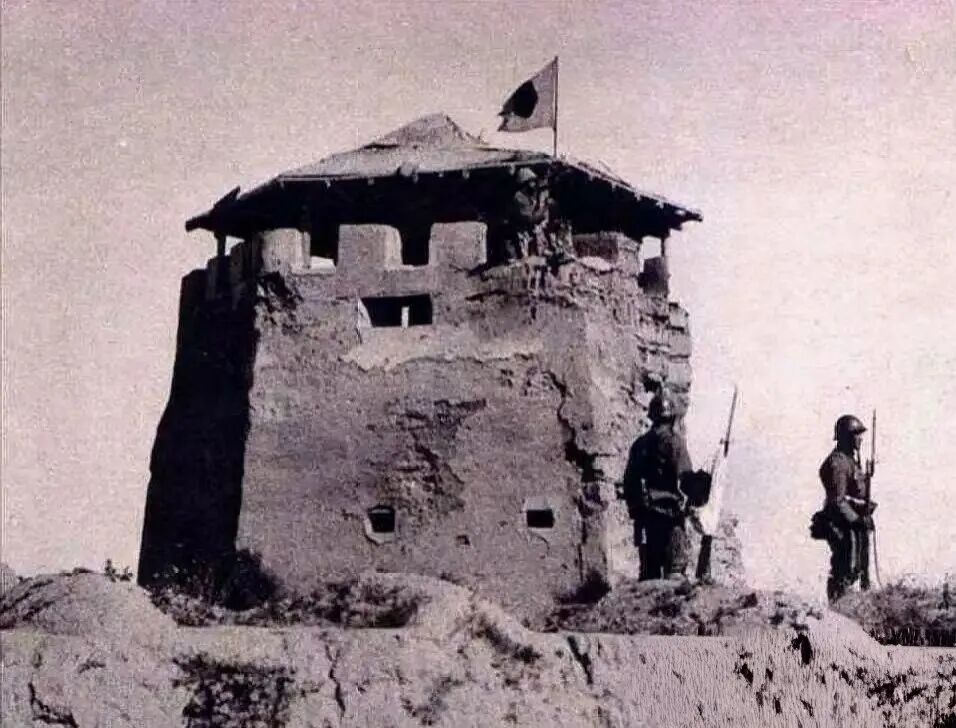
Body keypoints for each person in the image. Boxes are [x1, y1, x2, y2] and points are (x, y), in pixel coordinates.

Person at [622, 392, 694, 580]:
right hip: (670, 517)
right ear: (672, 417)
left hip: (646, 518)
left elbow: (629, 482)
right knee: (675, 575)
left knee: (649, 577)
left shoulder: (639, 444)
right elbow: (685, 478)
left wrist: (637, 510)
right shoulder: (674, 442)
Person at [818, 414, 876, 601]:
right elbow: (838, 500)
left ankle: (852, 603)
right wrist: (857, 519)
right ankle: (838, 604)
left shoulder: (850, 460)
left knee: (859, 567)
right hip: (841, 523)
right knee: (846, 568)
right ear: (847, 437)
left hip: (854, 522)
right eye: (856, 435)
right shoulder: (838, 463)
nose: (860, 439)